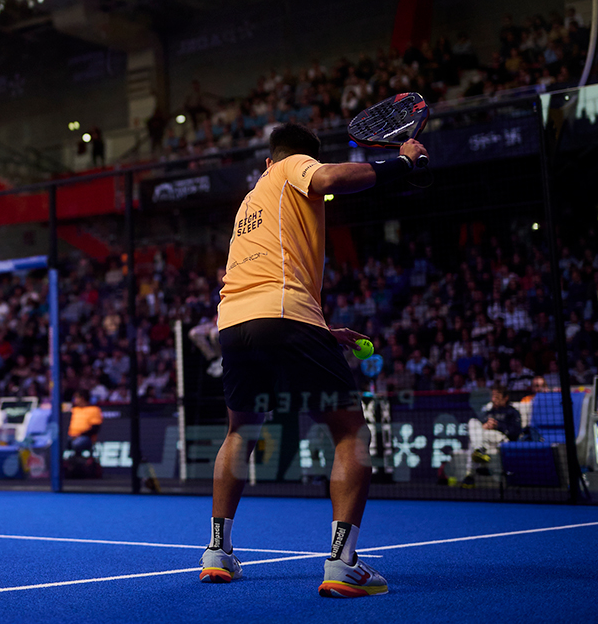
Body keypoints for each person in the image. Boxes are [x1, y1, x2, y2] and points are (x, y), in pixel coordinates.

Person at [201, 123, 428, 598]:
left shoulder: (249, 202)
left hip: (234, 322)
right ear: (284, 160)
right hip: (285, 313)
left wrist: (322, 328)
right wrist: (401, 163)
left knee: (239, 431)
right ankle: (343, 562)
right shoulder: (292, 167)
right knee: (349, 431)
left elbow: (263, 275)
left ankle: (217, 552)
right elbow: (327, 180)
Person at [462, 386, 522, 487]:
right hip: (485, 437)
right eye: (493, 397)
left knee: (475, 438)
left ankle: (470, 474)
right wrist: (484, 426)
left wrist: (498, 426)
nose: (494, 400)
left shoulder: (512, 412)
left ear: (505, 398)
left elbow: (515, 432)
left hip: (502, 438)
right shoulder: (489, 412)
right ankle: (479, 450)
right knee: (472, 422)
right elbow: (479, 425)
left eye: (497, 397)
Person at [66, 390, 103, 456]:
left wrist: (79, 435)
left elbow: (95, 428)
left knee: (76, 443)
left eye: (76, 398)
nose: (74, 400)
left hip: (86, 437)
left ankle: (78, 459)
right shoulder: (74, 409)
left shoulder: (94, 409)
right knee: (60, 442)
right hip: (71, 436)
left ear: (82, 398)